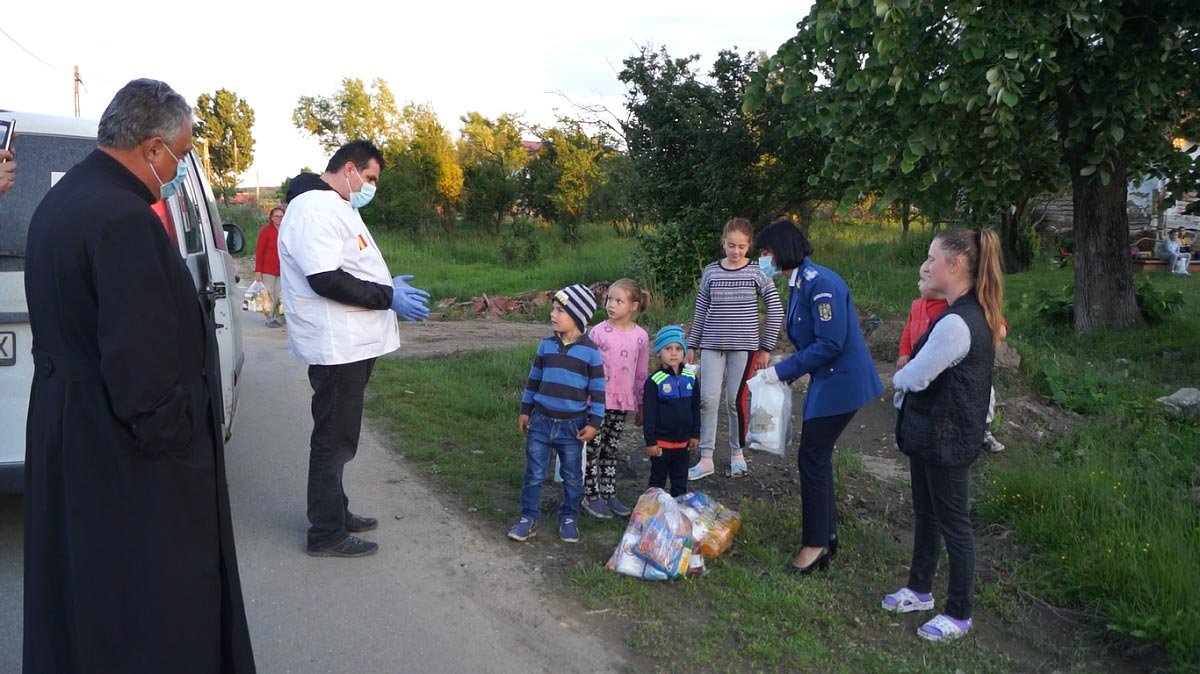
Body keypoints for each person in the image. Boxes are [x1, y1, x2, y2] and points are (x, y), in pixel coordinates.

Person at [22, 78, 255, 673]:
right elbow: (141, 369)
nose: (178, 169)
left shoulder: (65, 197)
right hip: (119, 448)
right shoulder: (123, 218)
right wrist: (177, 437)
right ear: (153, 148)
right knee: (144, 599)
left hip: (69, 423)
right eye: (179, 155)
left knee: (84, 590)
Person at [278, 140, 431, 558]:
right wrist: (387, 297)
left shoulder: (335, 205)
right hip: (337, 345)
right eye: (370, 178)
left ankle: (336, 510)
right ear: (349, 168)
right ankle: (325, 534)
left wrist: (387, 284)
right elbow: (325, 278)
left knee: (340, 436)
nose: (370, 187)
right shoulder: (313, 208)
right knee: (333, 439)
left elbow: (347, 265)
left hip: (351, 343)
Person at [883, 229, 1005, 643]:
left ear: (955, 266)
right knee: (926, 513)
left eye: (932, 258)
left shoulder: (958, 321)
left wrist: (897, 378)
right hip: (930, 434)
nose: (926, 265)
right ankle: (919, 589)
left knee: (955, 524)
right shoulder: (957, 312)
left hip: (948, 439)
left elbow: (917, 375)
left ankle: (959, 612)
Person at [750, 219, 882, 575]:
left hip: (842, 382)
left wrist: (782, 370)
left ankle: (815, 545)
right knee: (816, 457)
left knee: (812, 457)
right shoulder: (800, 283)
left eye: (765, 252)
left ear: (781, 250)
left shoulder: (820, 284)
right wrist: (785, 367)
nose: (762, 259)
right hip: (830, 380)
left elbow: (830, 342)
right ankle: (826, 535)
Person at [686, 218, 784, 480]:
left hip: (745, 347)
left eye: (742, 246)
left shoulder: (757, 273)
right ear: (723, 243)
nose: (736, 251)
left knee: (734, 401)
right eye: (731, 245)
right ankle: (706, 458)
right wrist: (692, 344)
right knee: (707, 400)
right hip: (711, 345)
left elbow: (775, 311)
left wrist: (765, 348)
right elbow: (701, 310)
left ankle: (737, 453)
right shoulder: (711, 272)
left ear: (749, 246)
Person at [509, 284, 605, 544]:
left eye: (560, 310)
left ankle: (569, 516)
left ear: (578, 316)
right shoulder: (545, 346)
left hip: (572, 426)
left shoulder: (591, 353)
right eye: (553, 308)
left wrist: (595, 423)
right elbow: (533, 380)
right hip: (540, 422)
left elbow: (598, 392)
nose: (553, 314)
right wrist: (525, 410)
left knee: (573, 476)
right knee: (534, 474)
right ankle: (528, 517)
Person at [898, 278, 1006, 453]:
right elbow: (907, 331)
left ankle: (984, 431)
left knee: (985, 395)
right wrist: (903, 352)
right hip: (919, 363)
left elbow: (997, 326)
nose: (919, 283)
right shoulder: (916, 306)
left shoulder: (954, 307)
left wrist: (993, 327)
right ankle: (905, 428)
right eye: (920, 278)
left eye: (925, 278)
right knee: (908, 393)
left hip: (953, 370)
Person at [582, 278, 650, 519]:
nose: (611, 304)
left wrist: (642, 405)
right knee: (592, 448)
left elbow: (641, 373)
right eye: (609, 299)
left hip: (622, 403)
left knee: (610, 449)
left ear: (633, 305)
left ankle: (608, 492)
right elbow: (586, 366)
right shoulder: (598, 332)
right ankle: (590, 494)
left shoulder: (641, 337)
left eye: (618, 300)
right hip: (596, 402)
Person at [643, 325, 701, 497]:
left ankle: (678, 516)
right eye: (668, 348)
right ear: (659, 352)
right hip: (661, 445)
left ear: (684, 351)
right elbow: (649, 414)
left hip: (684, 444)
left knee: (680, 482)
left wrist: (695, 435)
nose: (674, 353)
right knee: (657, 481)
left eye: (678, 348)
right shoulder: (654, 381)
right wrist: (651, 441)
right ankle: (652, 516)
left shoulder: (691, 378)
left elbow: (696, 408)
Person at [255, 204, 286, 327]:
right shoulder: (265, 231)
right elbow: (259, 251)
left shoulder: (287, 230)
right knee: (268, 294)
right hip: (267, 269)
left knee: (280, 295)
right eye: (276, 216)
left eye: (281, 216)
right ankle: (269, 317)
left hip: (282, 269)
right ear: (271, 217)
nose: (279, 218)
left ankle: (279, 318)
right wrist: (258, 270)